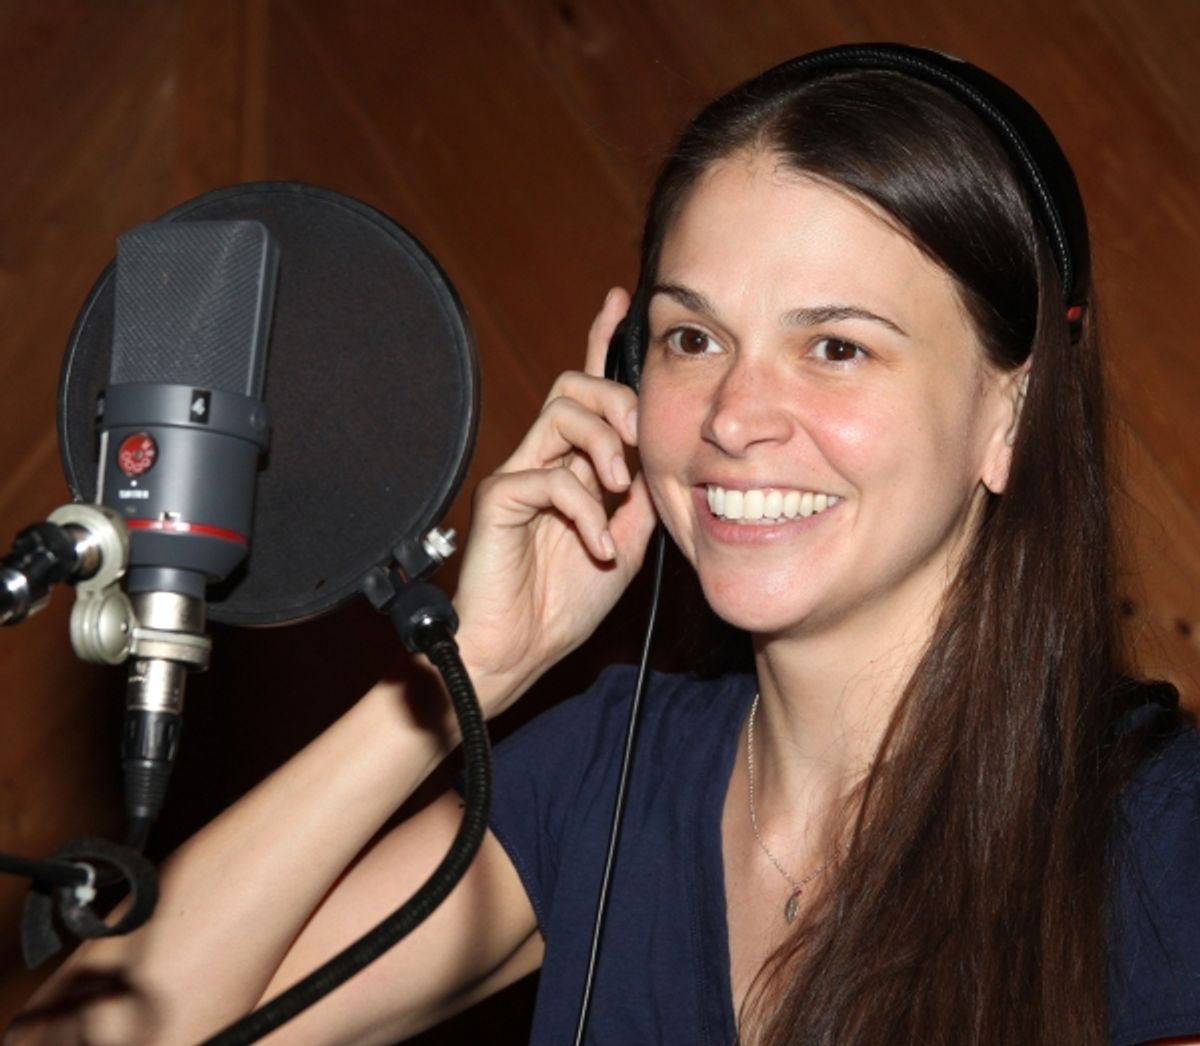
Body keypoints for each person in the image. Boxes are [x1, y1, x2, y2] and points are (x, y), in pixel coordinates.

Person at [12, 43, 1200, 1046]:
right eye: (692, 339)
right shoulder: (602, 776)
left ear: (1012, 415)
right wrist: (466, 667)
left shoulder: (1162, 835)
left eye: (835, 346)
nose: (735, 415)